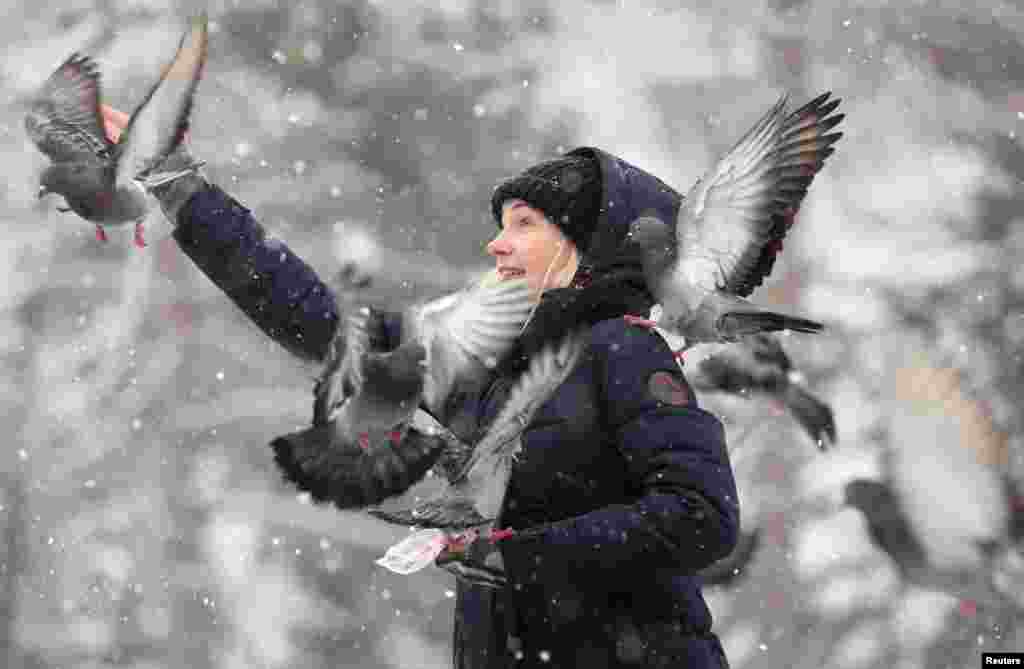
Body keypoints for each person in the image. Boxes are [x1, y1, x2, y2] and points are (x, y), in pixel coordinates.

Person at [101, 105, 739, 668]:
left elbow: (701, 517)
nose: (497, 244)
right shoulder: (486, 361)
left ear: (586, 243)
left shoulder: (624, 349)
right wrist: (182, 188)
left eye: (524, 224)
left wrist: (516, 555)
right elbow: (317, 320)